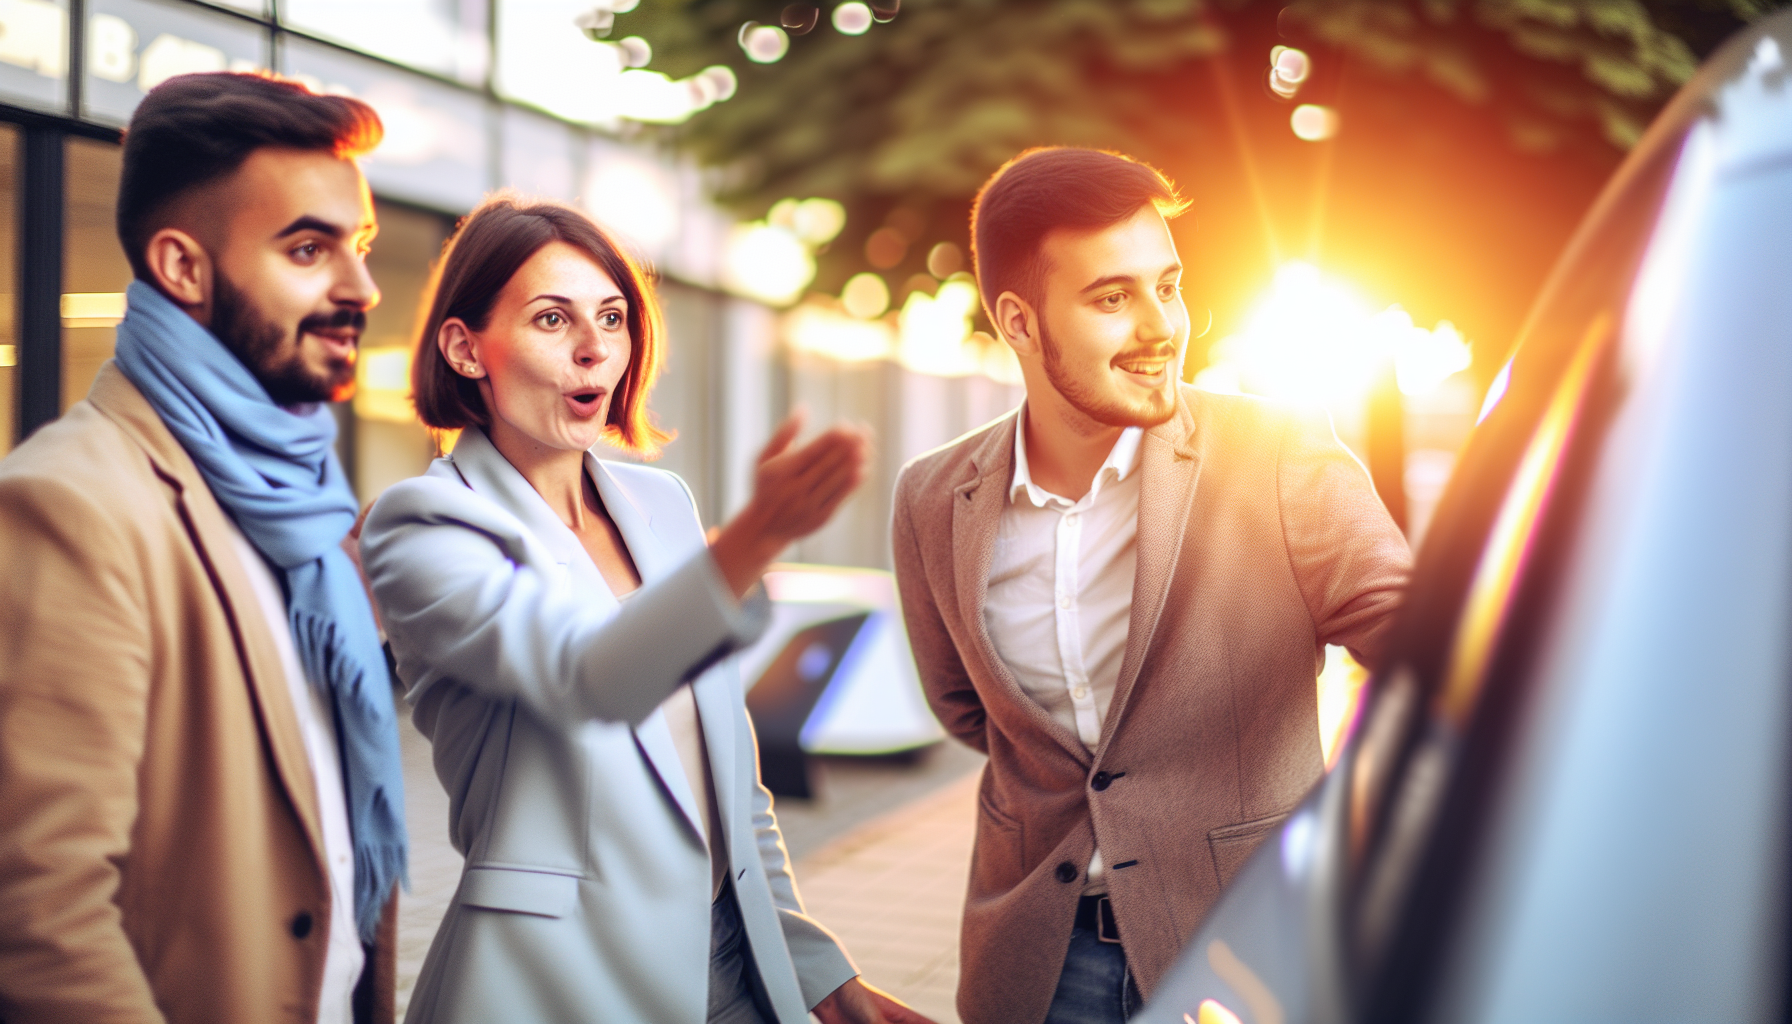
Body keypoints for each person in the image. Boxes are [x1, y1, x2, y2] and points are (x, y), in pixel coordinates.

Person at [359, 195, 931, 1024]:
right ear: (465, 348)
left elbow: (732, 781)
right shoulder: (423, 525)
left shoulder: (661, 504)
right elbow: (587, 677)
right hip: (555, 988)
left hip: (735, 972)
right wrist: (757, 536)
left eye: (613, 318)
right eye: (553, 319)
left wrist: (816, 973)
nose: (596, 349)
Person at [890, 147, 1413, 1024]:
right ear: (1019, 322)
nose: (1163, 325)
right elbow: (966, 709)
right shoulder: (933, 497)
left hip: (1248, 953)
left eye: (1167, 285)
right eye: (1112, 297)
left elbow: (1429, 655)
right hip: (1034, 965)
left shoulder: (1278, 452)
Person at [0, 73, 404, 1023]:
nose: (361, 288)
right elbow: (40, 915)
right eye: (309, 249)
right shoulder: (72, 505)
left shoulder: (303, 508)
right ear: (182, 268)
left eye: (361, 246)